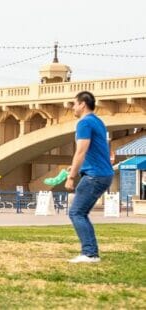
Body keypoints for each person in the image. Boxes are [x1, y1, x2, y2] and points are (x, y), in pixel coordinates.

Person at [65, 91, 114, 263]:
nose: (73, 107)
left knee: (76, 212)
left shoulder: (84, 123)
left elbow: (81, 150)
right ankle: (90, 252)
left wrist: (71, 176)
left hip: (95, 176)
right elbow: (95, 151)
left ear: (82, 104)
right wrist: (78, 167)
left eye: (74, 104)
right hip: (102, 173)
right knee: (81, 212)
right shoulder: (98, 121)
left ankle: (90, 253)